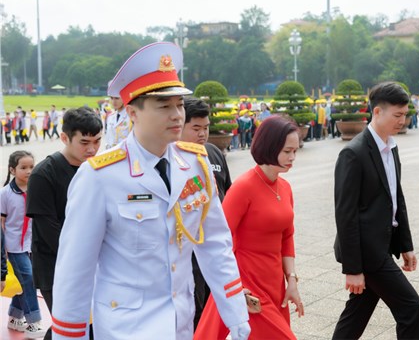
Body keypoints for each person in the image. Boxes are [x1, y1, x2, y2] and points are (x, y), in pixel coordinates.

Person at [50, 42, 249, 340]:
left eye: (179, 104)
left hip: (181, 322)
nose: (177, 115)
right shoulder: (99, 177)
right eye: (164, 106)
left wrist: (236, 316)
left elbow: (215, 245)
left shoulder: (195, 165)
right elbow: (75, 270)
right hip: (125, 329)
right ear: (133, 112)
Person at [196, 115, 304, 340]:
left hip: (275, 282)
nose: (293, 157)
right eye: (287, 151)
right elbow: (219, 240)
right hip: (248, 283)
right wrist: (233, 287)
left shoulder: (285, 187)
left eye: (295, 151)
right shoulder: (243, 187)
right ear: (269, 146)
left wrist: (291, 280)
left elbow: (287, 237)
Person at [332, 81, 419, 339]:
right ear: (377, 112)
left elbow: (396, 198)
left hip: (382, 245)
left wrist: (405, 244)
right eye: (397, 115)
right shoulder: (353, 153)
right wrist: (353, 269)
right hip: (367, 251)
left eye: (405, 114)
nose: (402, 120)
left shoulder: (390, 147)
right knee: (411, 308)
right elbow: (345, 215)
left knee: (357, 314)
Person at [26, 107, 103, 340]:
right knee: (70, 326)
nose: (92, 149)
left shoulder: (98, 170)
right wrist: (84, 260)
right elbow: (48, 230)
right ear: (64, 138)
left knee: (90, 328)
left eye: (97, 141)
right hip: (55, 266)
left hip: (95, 265)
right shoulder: (43, 174)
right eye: (84, 142)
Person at [181, 97, 233, 327]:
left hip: (214, 244)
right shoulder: (174, 160)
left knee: (216, 306)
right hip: (188, 250)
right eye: (196, 128)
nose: (202, 134)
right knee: (194, 307)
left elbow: (227, 192)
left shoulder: (213, 153)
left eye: (206, 127)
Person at [1, 150, 45, 338]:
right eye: (23, 167)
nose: (29, 171)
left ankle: (15, 317)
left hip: (31, 244)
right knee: (29, 280)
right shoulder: (5, 194)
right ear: (12, 170)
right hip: (13, 247)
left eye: (31, 167)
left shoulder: (36, 189)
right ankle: (34, 323)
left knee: (24, 280)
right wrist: (3, 251)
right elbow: (1, 223)